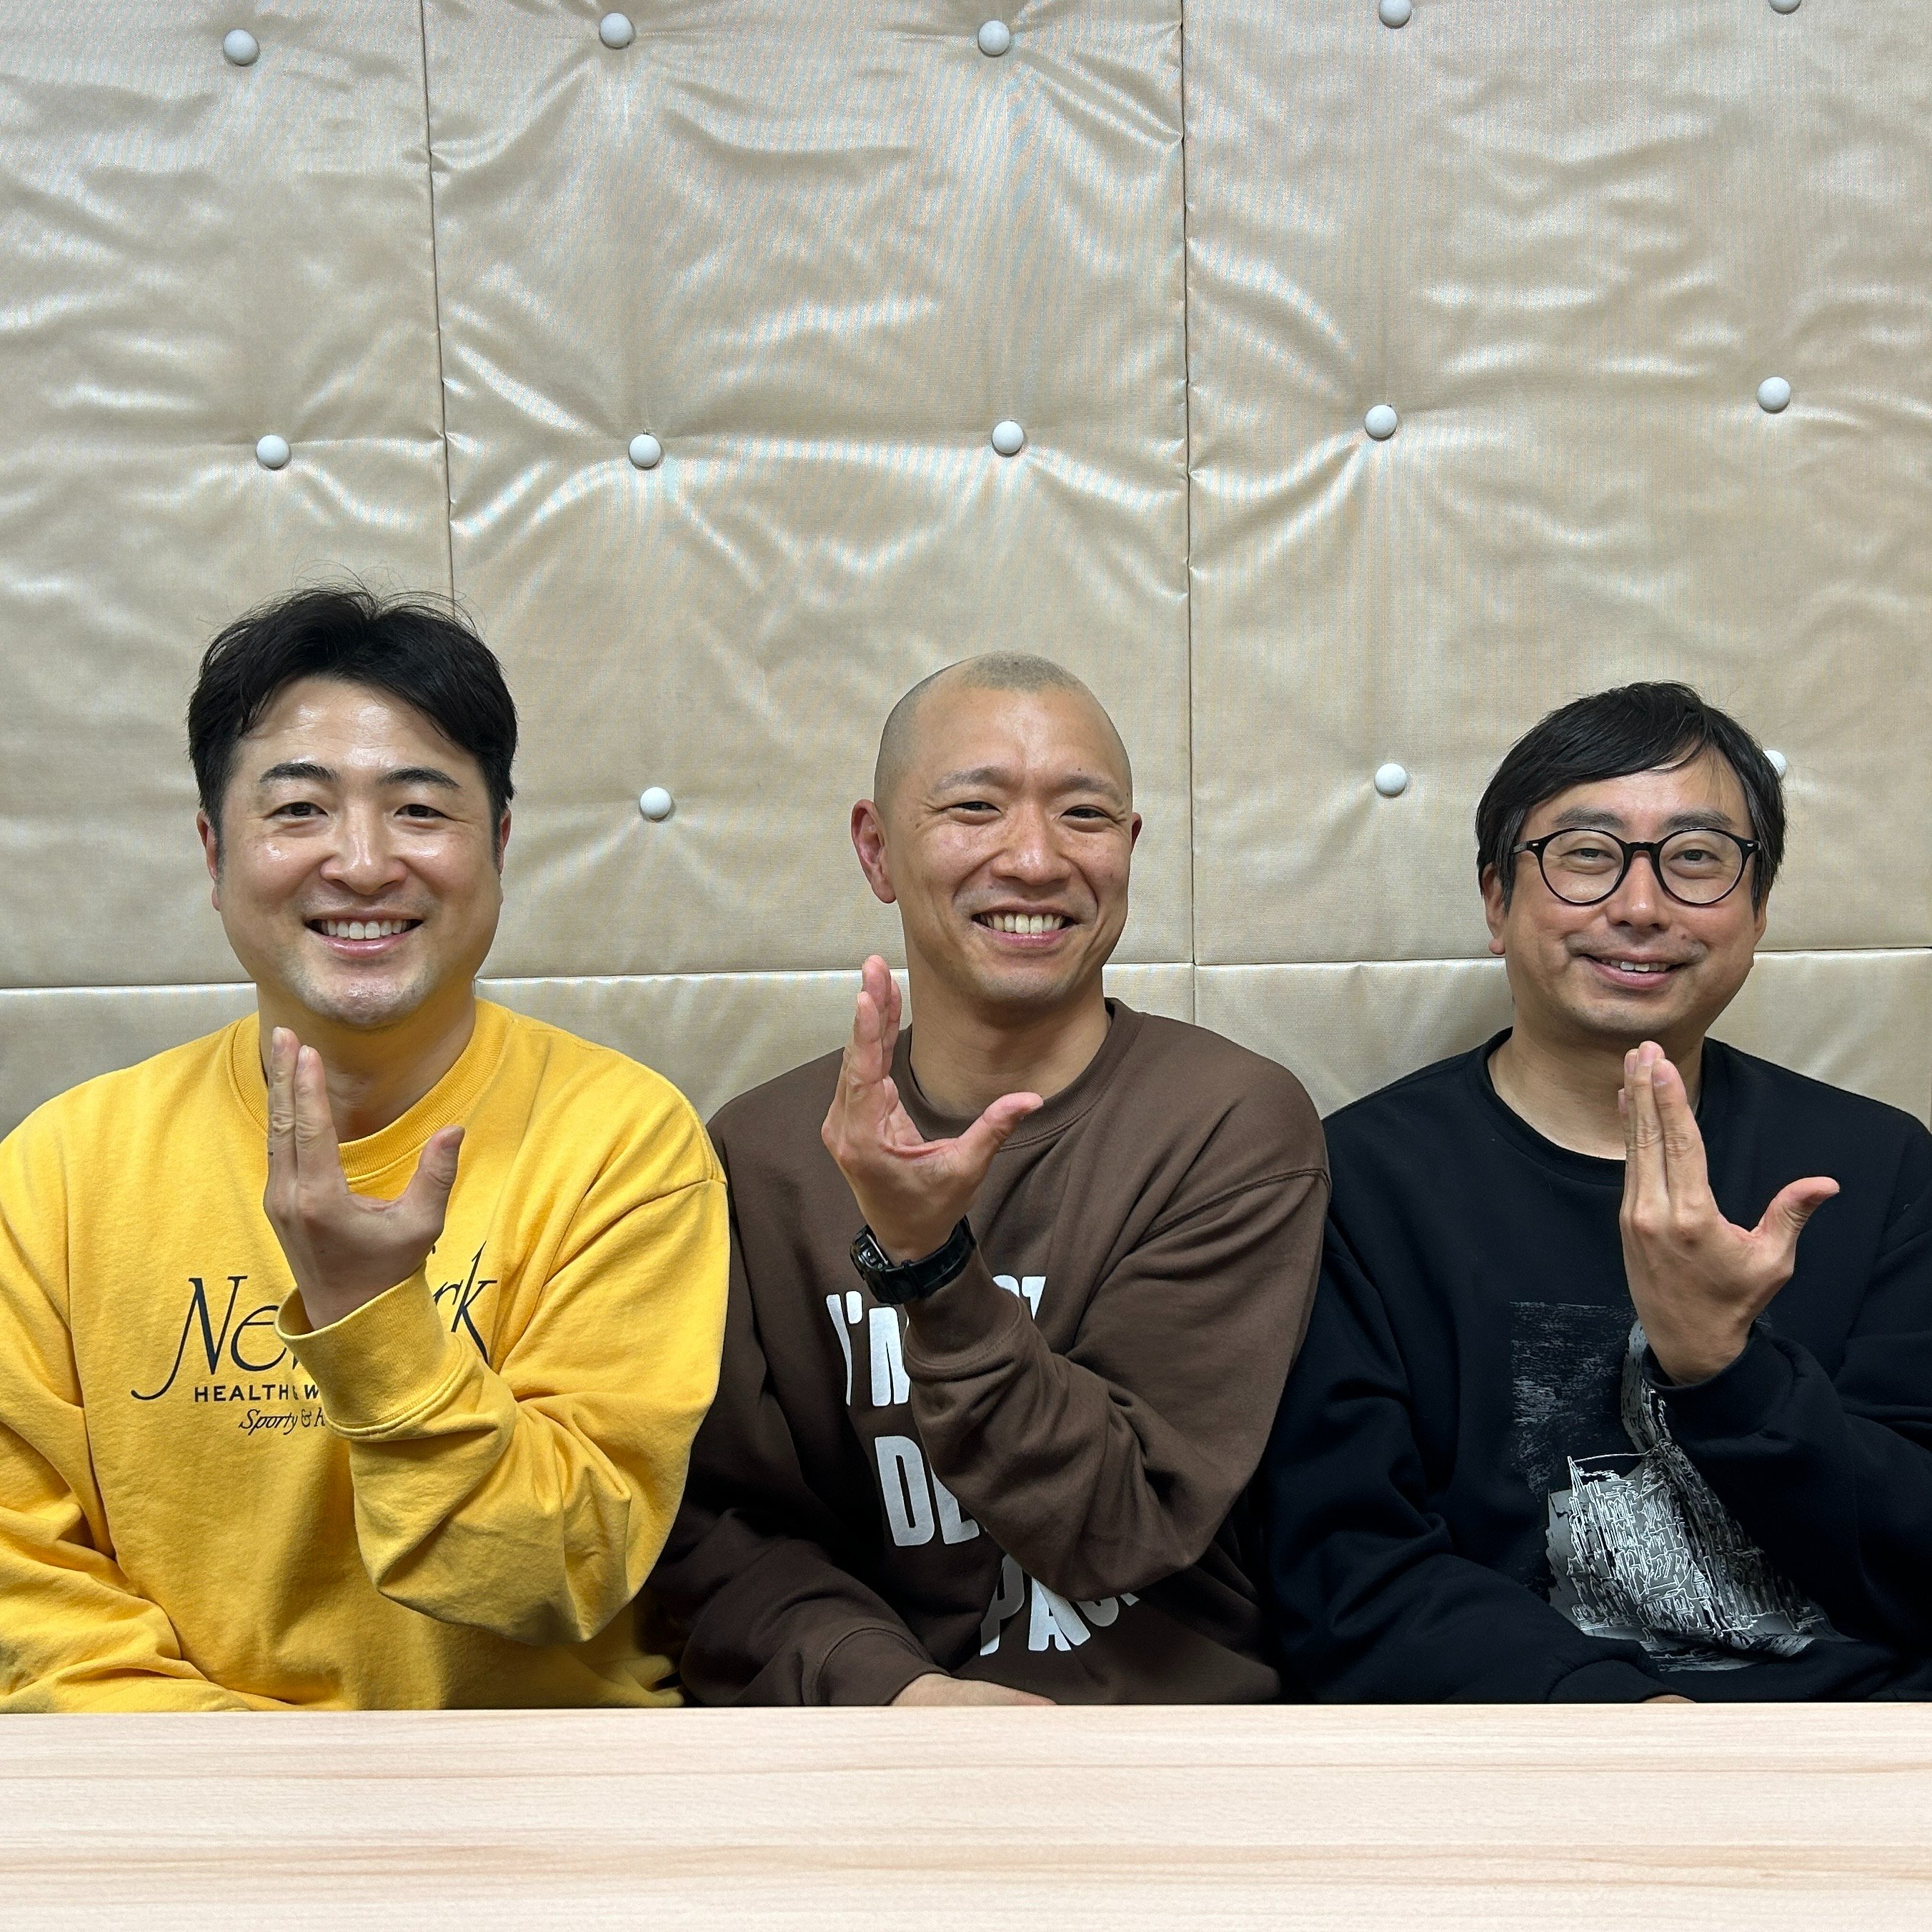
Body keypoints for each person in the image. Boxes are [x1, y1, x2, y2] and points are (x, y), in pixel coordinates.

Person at [0, 586, 728, 1710]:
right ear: (213, 852)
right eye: (299, 810)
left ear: (500, 846)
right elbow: (27, 1588)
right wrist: (248, 1785)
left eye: (419, 810)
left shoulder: (623, 1144)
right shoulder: (60, 1169)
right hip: (179, 1786)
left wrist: (373, 1321)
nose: (363, 862)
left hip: (537, 1788)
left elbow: (561, 1572)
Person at [652, 654, 1327, 1705]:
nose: (1035, 858)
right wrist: (890, 1691)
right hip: (868, 1740)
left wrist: (930, 1267)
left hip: (1162, 1741)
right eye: (975, 808)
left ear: (1131, 848)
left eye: (1084, 815)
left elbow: (1121, 1524)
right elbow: (719, 1536)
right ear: (876, 849)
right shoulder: (765, 1152)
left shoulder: (1227, 1124)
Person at [1260, 682, 1932, 1701]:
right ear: (1497, 900)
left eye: (1696, 858)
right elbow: (1343, 1575)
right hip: (1527, 1743)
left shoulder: (1874, 1170)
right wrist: (1619, 1717)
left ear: (1757, 910)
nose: (1640, 906)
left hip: (1850, 1739)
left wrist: (1725, 1370)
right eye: (1586, 854)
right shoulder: (1358, 1181)